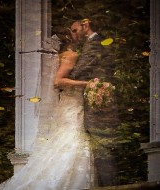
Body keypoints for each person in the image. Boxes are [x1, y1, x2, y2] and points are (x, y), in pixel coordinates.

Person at [0, 31, 92, 190]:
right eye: (77, 33)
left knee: (66, 139)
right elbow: (58, 81)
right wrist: (87, 84)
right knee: (73, 139)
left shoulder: (63, 55)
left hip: (68, 103)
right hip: (72, 104)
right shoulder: (71, 55)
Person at [69, 19, 120, 187]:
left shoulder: (94, 44)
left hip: (99, 105)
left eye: (75, 30)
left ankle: (108, 186)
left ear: (86, 26)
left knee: (101, 147)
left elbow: (79, 71)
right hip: (97, 101)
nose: (74, 35)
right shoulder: (97, 42)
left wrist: (63, 68)